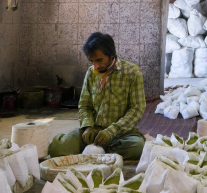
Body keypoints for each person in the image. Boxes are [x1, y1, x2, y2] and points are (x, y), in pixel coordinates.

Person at [48, 32, 146, 160]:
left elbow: (137, 110)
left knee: (137, 146)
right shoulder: (91, 73)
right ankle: (100, 152)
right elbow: (84, 105)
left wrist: (111, 132)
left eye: (99, 60)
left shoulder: (132, 72)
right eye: (92, 61)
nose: (96, 66)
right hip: (93, 133)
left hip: (122, 134)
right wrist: (88, 127)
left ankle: (95, 152)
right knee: (57, 148)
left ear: (112, 55)